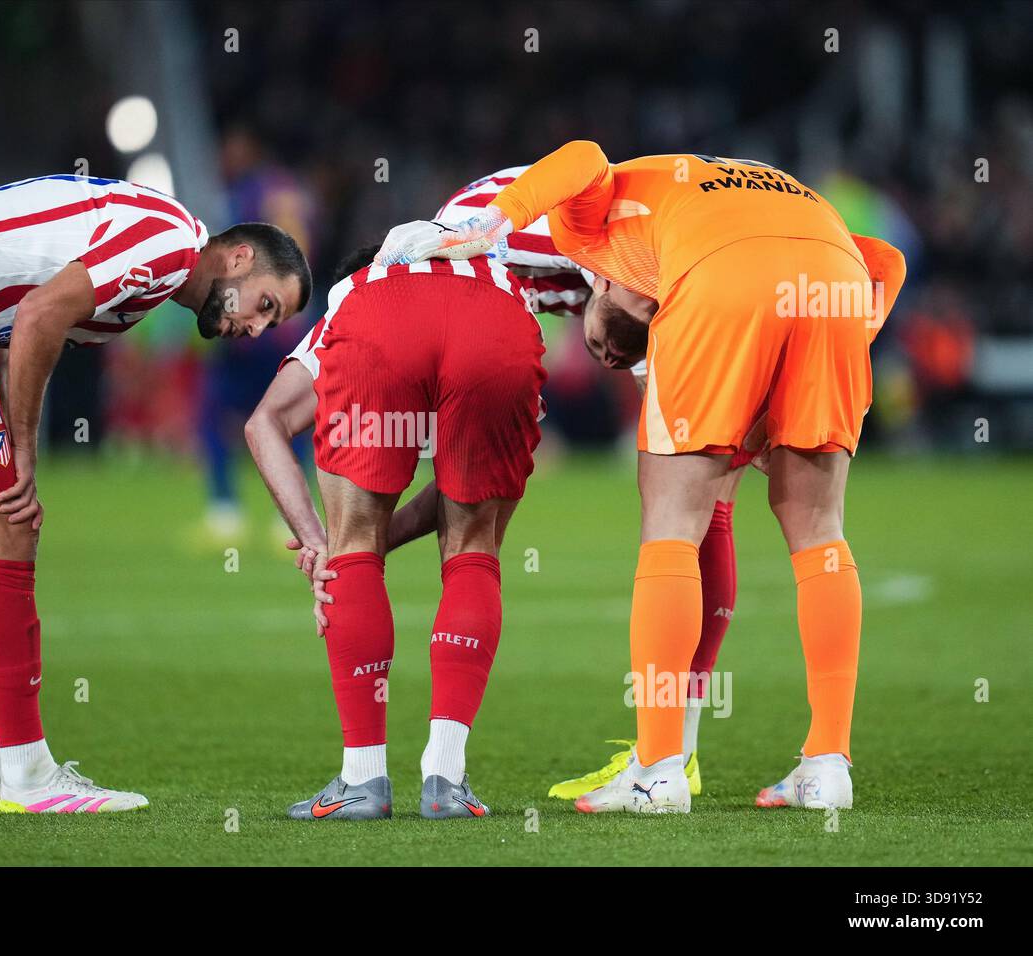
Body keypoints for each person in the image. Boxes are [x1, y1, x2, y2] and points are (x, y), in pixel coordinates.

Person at [378, 142, 906, 813]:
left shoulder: (586, 224)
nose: (612, 356)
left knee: (672, 526)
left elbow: (585, 155)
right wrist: (831, 348)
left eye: (628, 341)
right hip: (832, 278)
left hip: (720, 274)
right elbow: (886, 260)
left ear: (601, 282)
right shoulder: (693, 205)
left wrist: (499, 219)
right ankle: (827, 764)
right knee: (819, 529)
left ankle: (659, 773)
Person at [0, 173, 310, 813]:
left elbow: (10, 335)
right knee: (7, 529)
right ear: (239, 259)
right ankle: (29, 774)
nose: (259, 328)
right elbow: (39, 315)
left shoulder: (154, 267)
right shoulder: (168, 242)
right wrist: (22, 449)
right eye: (267, 304)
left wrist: (5, 440)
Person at [244, 245, 545, 819]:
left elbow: (266, 422)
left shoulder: (359, 289)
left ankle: (363, 779)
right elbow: (461, 493)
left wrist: (324, 547)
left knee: (354, 542)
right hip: (497, 318)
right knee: (474, 545)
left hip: (383, 321)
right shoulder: (499, 285)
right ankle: (445, 779)